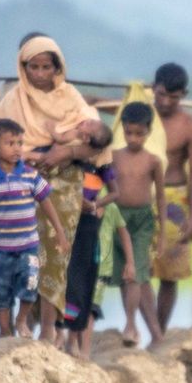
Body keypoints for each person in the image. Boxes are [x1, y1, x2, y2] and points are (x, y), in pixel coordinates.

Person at [0, 35, 104, 333]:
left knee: (56, 255)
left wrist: (64, 152)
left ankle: (48, 329)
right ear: (23, 66)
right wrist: (28, 156)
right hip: (23, 186)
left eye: (46, 67)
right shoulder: (11, 102)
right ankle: (23, 325)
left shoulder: (71, 98)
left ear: (57, 68)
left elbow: (96, 143)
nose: (40, 74)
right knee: (26, 255)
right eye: (34, 67)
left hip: (65, 187)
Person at [0, 118, 66, 338]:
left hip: (28, 246)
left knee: (30, 283)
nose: (16, 148)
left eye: (20, 143)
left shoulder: (31, 176)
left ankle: (21, 320)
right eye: (10, 143)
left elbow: (46, 202)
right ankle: (5, 330)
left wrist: (59, 232)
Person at [150, 63, 192, 334]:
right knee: (137, 271)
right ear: (153, 89)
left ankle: (159, 331)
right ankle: (145, 327)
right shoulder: (142, 117)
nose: (165, 102)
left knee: (170, 274)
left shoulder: (190, 127)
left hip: (175, 201)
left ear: (183, 94)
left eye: (172, 97)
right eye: (160, 95)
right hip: (142, 198)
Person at [107, 101, 167, 347]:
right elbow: (106, 187)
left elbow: (160, 196)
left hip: (142, 221)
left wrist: (162, 233)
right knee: (127, 274)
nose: (133, 139)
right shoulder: (112, 157)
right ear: (122, 129)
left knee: (136, 274)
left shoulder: (153, 161)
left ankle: (132, 325)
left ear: (149, 132)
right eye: (129, 133)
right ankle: (148, 331)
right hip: (117, 218)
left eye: (139, 134)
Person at [59, 124, 118, 355]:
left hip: (87, 224)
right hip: (63, 221)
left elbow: (115, 192)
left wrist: (94, 205)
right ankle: (57, 334)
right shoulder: (69, 159)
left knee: (81, 281)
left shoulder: (102, 165)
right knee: (59, 277)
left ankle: (73, 338)